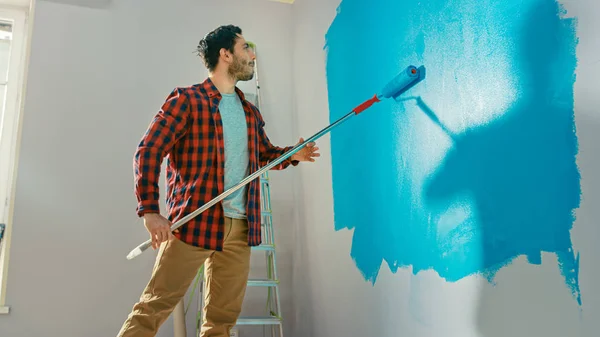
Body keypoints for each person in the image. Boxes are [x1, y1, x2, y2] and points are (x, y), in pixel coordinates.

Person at [117, 24, 320, 337]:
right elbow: (148, 149)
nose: (252, 55)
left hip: (239, 230)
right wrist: (149, 210)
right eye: (245, 48)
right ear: (225, 55)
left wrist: (294, 154)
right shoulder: (187, 101)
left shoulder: (249, 112)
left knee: (220, 324)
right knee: (152, 309)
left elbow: (264, 155)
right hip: (193, 224)